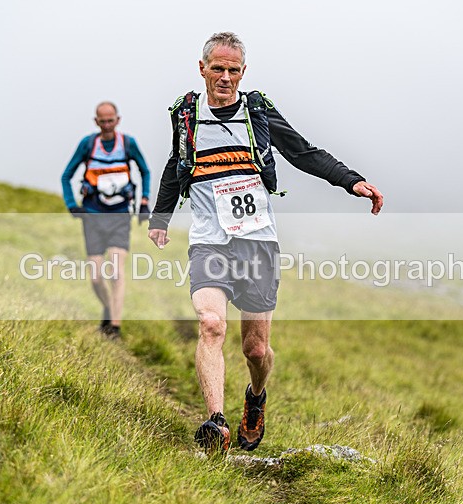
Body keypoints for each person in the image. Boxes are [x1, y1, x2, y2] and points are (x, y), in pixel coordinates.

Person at [148, 32, 383, 453]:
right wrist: (161, 217)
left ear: (243, 72)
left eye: (232, 70)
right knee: (211, 324)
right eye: (217, 68)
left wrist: (352, 181)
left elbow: (303, 153)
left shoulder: (257, 113)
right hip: (209, 241)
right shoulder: (187, 116)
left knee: (255, 349)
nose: (224, 77)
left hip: (257, 242)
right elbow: (174, 162)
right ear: (201, 68)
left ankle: (255, 399)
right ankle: (215, 423)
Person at [61, 101, 151, 339]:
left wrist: (144, 202)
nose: (108, 125)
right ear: (96, 122)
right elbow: (66, 175)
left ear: (118, 120)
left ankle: (115, 327)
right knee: (95, 276)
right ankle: (109, 308)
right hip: (92, 214)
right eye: (103, 121)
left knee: (116, 271)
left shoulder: (128, 144)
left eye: (111, 120)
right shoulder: (88, 145)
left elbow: (145, 171)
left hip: (120, 214)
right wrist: (72, 205)